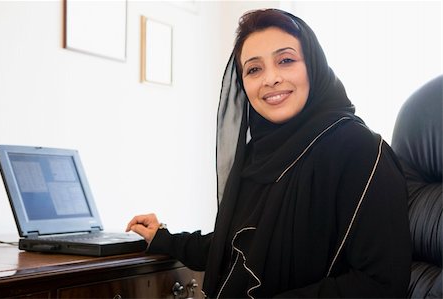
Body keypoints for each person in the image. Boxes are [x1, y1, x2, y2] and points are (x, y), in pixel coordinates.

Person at [126, 8, 412, 298]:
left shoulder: (359, 149)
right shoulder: (259, 155)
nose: (271, 78)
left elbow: (381, 284)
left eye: (286, 60)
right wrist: (163, 238)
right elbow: (242, 247)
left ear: (313, 66)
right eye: (253, 69)